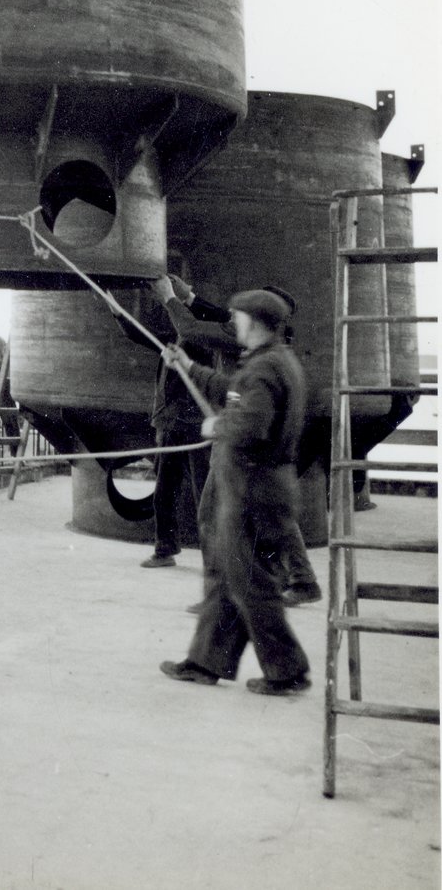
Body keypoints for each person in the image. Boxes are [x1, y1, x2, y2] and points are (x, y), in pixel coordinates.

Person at [159, 287, 312, 695]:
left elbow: (249, 424)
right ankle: (204, 663)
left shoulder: (264, 369)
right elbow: (236, 392)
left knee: (252, 584)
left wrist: (216, 427)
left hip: (253, 492)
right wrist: (190, 368)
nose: (234, 324)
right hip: (263, 489)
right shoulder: (275, 362)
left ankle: (287, 671)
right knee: (232, 579)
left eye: (238, 317)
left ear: (256, 322)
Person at [103, 272, 236, 568]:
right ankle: (165, 549)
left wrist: (182, 296)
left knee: (205, 494)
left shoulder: (202, 337)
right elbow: (138, 333)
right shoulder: (174, 339)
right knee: (164, 490)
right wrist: (116, 310)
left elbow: (208, 319)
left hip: (196, 425)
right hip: (170, 424)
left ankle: (214, 562)